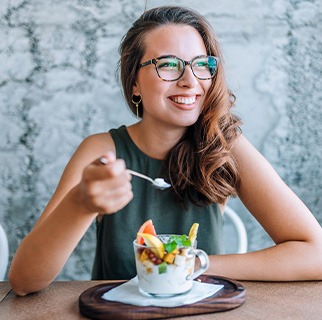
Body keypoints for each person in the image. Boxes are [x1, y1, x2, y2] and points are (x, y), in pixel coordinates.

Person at [9, 6, 322, 296]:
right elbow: (24, 281)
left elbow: (315, 253)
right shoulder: (103, 149)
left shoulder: (224, 146)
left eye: (201, 65)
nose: (190, 81)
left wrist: (191, 263)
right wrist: (80, 203)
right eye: (169, 65)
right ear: (134, 82)